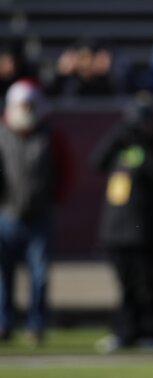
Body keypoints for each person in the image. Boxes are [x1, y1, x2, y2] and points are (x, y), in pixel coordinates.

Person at [90, 92, 153, 353]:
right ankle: (125, 332)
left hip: (147, 229)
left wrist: (147, 141)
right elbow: (97, 162)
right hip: (117, 228)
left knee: (148, 284)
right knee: (125, 285)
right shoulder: (121, 142)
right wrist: (120, 134)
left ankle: (152, 332)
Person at [0, 79, 73, 346]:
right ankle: (4, 323)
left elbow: (65, 171)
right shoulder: (2, 132)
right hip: (6, 214)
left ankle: (36, 325)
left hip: (40, 215)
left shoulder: (49, 135)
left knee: (40, 275)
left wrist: (54, 200)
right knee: (3, 275)